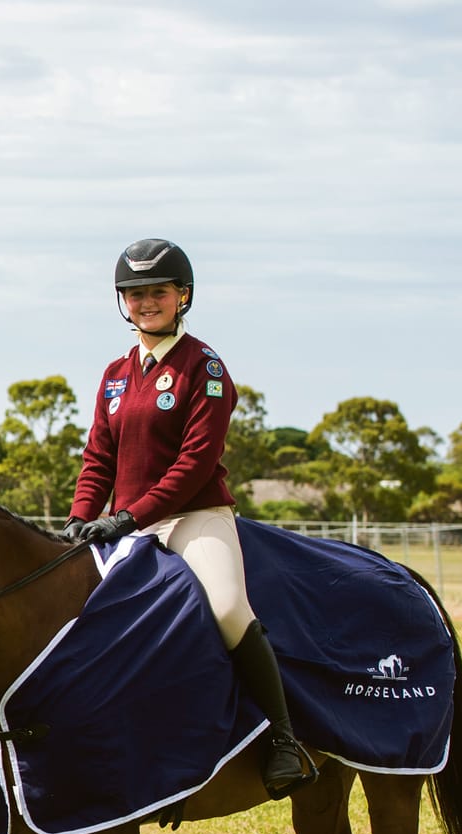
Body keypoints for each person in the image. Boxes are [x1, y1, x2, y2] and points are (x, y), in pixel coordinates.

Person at [63, 239, 316, 798]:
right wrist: (81, 518)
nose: (147, 302)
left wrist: (129, 516)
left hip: (194, 516)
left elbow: (195, 462)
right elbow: (98, 458)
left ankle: (282, 739)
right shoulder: (113, 374)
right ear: (122, 302)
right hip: (125, 523)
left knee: (227, 608)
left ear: (183, 296)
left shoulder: (205, 366)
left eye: (158, 292)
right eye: (135, 293)